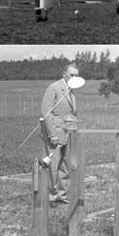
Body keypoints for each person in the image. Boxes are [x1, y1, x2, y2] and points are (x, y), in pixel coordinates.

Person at [40, 63, 83, 204]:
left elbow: (71, 113)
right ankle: (50, 197)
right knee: (53, 165)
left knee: (65, 165)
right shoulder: (54, 88)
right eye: (72, 75)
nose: (74, 77)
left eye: (76, 75)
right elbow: (46, 113)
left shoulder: (72, 90)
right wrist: (52, 134)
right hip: (56, 134)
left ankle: (61, 195)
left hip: (69, 134)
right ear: (64, 74)